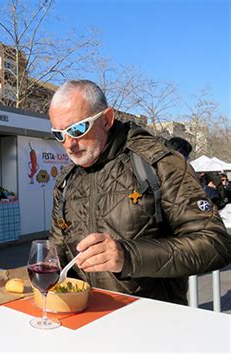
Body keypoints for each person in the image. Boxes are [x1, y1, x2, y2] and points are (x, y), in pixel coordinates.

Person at [48, 80, 231, 305]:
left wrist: (127, 256)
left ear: (106, 120)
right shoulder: (68, 179)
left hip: (151, 321)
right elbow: (57, 247)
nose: (68, 144)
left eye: (77, 129)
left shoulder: (158, 163)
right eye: (59, 134)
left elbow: (215, 243)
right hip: (85, 316)